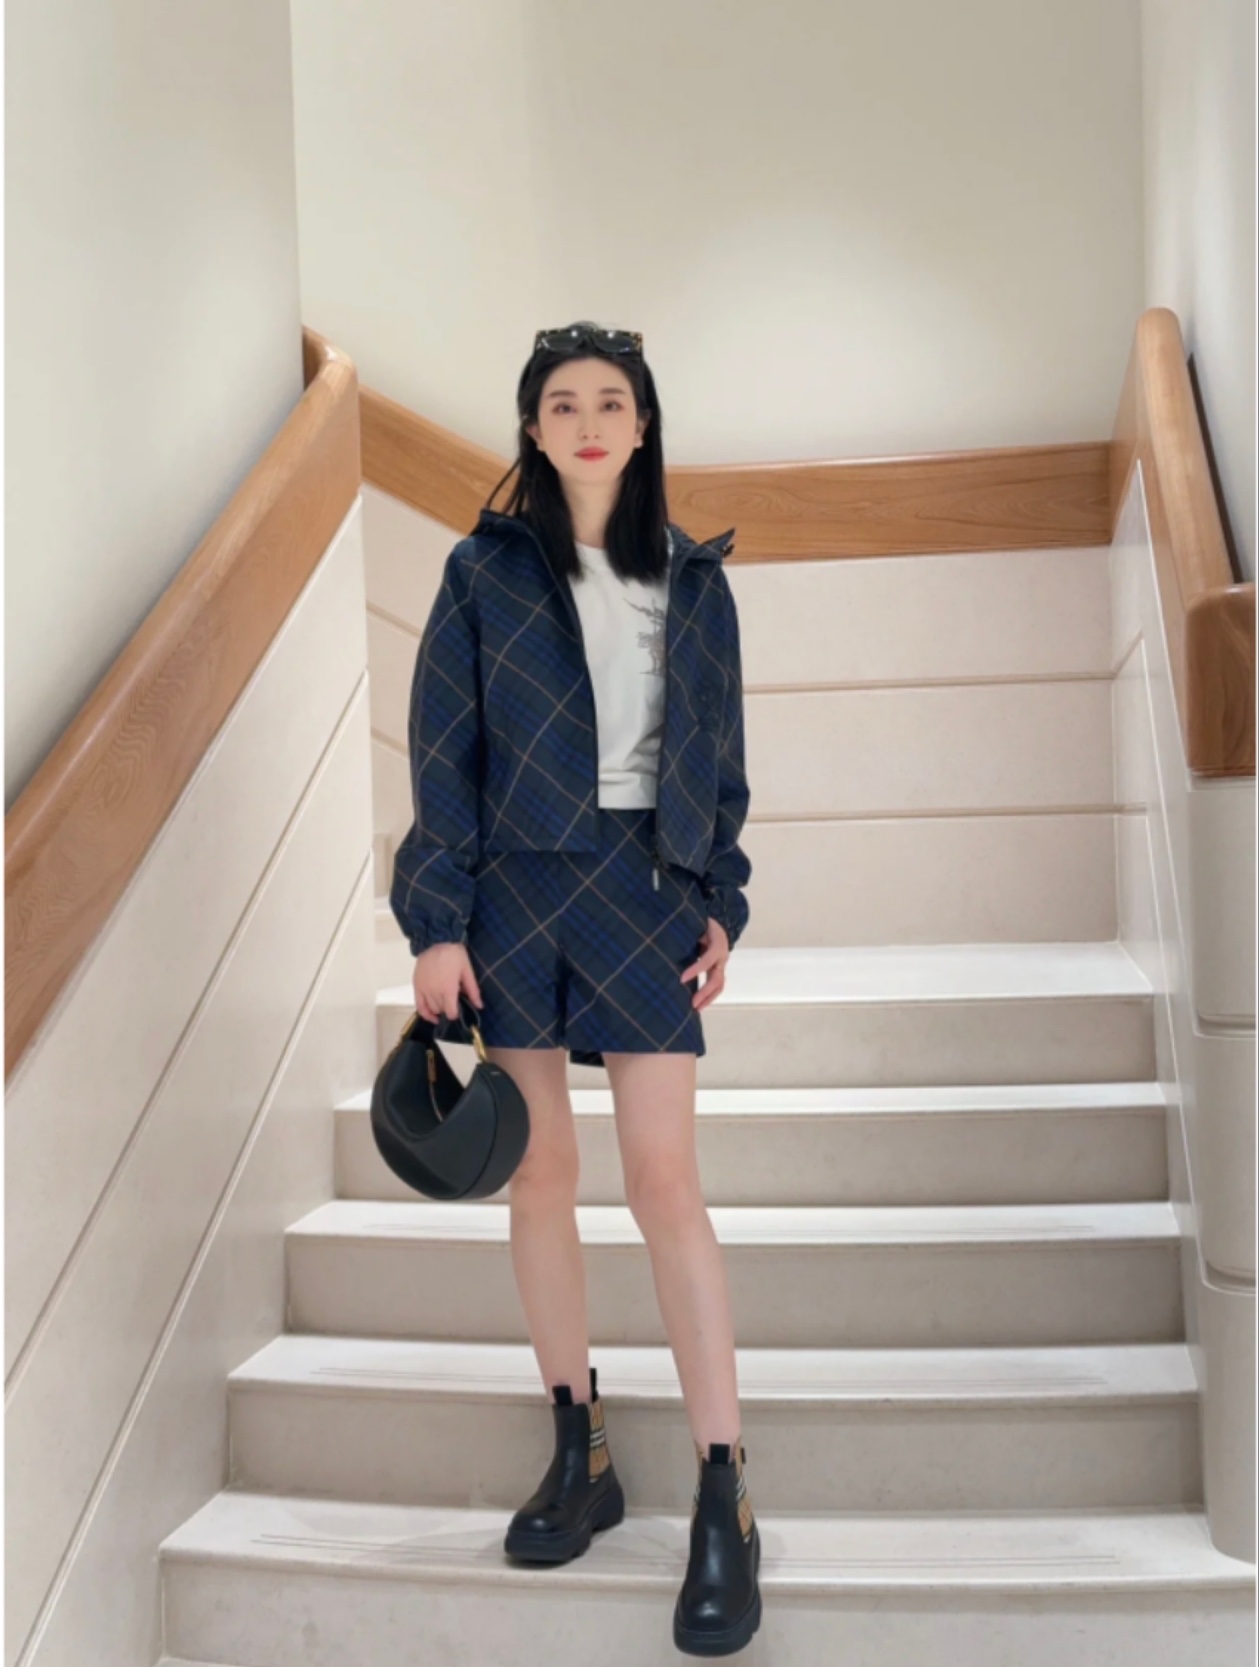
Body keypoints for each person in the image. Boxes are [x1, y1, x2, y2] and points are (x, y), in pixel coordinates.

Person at [390, 320, 760, 1656]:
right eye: (563, 404)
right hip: (513, 894)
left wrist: (720, 898)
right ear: (534, 430)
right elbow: (444, 750)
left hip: (642, 891)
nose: (590, 422)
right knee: (541, 1177)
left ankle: (725, 1494)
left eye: (611, 402)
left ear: (643, 424)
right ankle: (580, 1449)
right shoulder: (483, 572)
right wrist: (437, 921)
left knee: (665, 1185)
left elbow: (720, 762)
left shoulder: (696, 583)